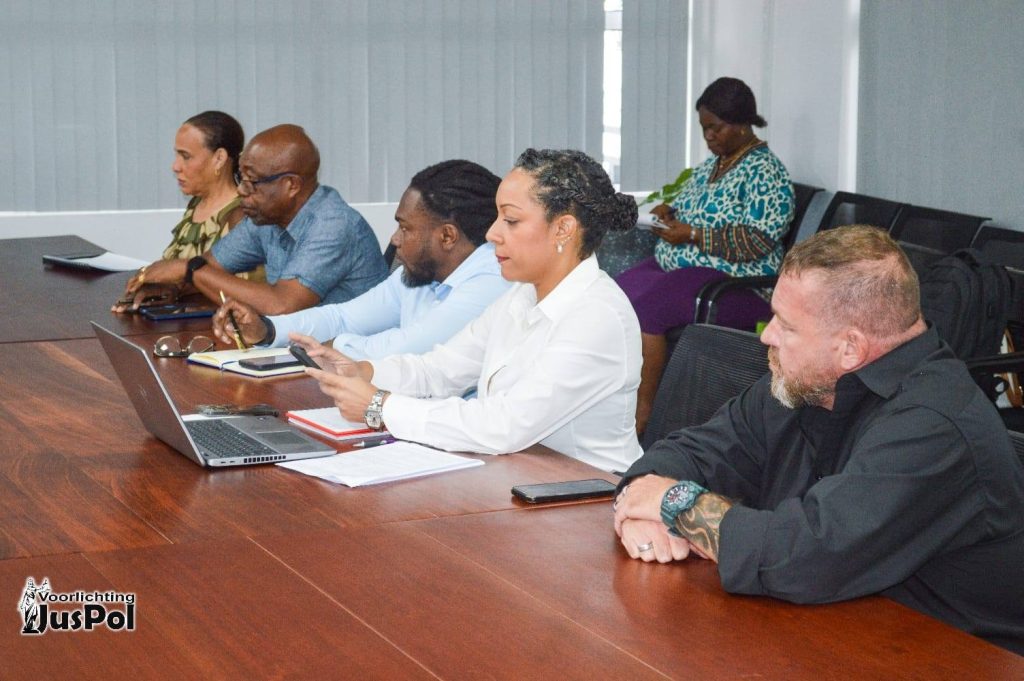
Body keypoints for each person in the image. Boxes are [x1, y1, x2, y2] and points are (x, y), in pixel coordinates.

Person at [612, 226, 1024, 655]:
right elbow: (688, 451)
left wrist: (674, 503)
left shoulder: (935, 425)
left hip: (945, 655)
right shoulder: (804, 383)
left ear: (850, 348)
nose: (767, 335)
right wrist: (643, 501)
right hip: (829, 630)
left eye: (786, 326)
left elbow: (805, 555)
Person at [296, 149, 644, 473]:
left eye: (511, 220)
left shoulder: (597, 315)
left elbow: (505, 425)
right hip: (519, 480)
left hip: (587, 496)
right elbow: (440, 370)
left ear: (563, 229)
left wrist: (380, 407)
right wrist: (363, 371)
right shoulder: (521, 295)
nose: (492, 233)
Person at [616, 77, 795, 435]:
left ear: (742, 123)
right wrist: (668, 210)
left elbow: (758, 240)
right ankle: (610, 399)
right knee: (615, 296)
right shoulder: (714, 164)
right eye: (704, 129)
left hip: (737, 284)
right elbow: (687, 203)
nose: (709, 136)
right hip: (684, 269)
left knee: (648, 310)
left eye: (716, 128)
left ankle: (642, 415)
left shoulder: (766, 173)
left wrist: (694, 234)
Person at [211, 160, 509, 359]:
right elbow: (343, 317)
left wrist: (327, 347)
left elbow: (411, 347)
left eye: (405, 228)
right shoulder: (420, 275)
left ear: (447, 236)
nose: (395, 239)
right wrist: (267, 329)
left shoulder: (493, 279)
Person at [118, 124, 387, 315]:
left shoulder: (333, 225)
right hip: (301, 348)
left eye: (252, 182)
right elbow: (212, 267)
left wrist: (189, 269)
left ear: (291, 185)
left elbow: (282, 305)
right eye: (242, 179)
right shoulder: (267, 218)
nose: (241, 191)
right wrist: (176, 288)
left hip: (350, 359)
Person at [112, 111, 262, 312]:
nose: (175, 166)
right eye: (177, 155)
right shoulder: (196, 204)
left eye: (186, 156)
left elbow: (246, 295)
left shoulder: (243, 216)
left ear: (219, 158)